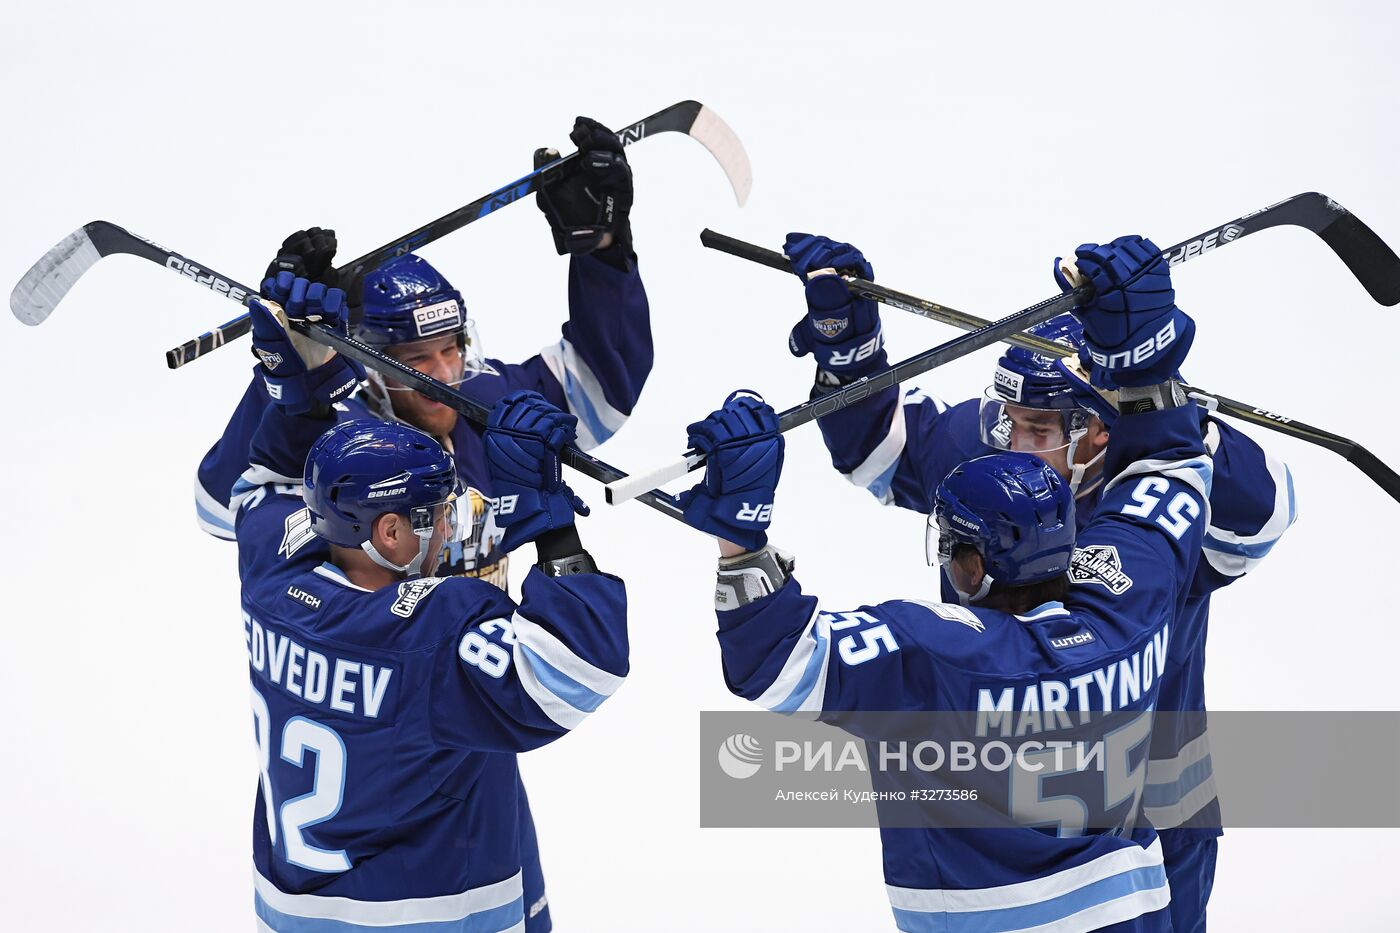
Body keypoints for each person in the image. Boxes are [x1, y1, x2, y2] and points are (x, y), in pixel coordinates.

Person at [678, 236, 1215, 931]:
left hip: (1160, 804)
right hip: (1124, 836)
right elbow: (1174, 468)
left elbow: (780, 659)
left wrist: (740, 536)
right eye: (1012, 422)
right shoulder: (1131, 579)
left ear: (1097, 430)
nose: (1017, 444)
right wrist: (851, 352)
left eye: (1039, 427)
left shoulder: (936, 658)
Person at [198, 116, 649, 930]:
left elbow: (602, 387)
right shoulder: (338, 449)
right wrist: (288, 371)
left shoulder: (477, 406)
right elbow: (215, 503)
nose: (446, 375)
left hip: (456, 765)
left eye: (452, 348)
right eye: (420, 359)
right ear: (369, 361)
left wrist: (603, 251)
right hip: (420, 818)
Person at [235, 279, 627, 933]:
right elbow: (582, 668)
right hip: (438, 907)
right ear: (387, 533)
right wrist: (552, 522)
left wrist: (303, 382)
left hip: (292, 907)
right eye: (435, 515)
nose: (451, 529)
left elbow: (263, 481)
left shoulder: (269, 566)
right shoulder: (431, 632)